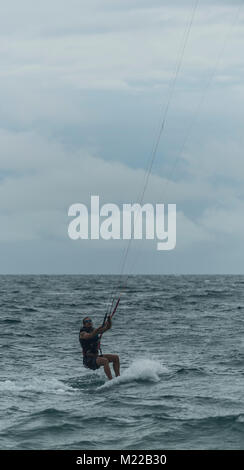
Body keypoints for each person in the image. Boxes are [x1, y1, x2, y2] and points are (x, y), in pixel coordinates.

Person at [79, 316, 120, 380]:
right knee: (105, 361)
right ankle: (111, 380)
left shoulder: (94, 330)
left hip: (96, 357)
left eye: (90, 321)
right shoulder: (82, 333)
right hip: (88, 360)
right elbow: (90, 335)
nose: (89, 322)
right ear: (84, 324)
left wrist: (109, 320)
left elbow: (107, 327)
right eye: (87, 322)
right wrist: (100, 327)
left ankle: (118, 378)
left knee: (116, 358)